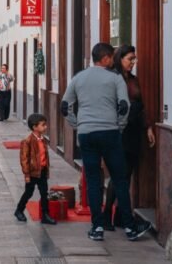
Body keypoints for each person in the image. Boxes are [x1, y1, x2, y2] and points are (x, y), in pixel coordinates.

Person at [61, 43, 152, 242]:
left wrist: (78, 124)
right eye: (111, 57)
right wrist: (119, 126)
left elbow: (65, 105)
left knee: (93, 181)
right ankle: (130, 228)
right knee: (120, 179)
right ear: (105, 59)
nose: (113, 60)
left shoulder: (78, 78)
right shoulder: (115, 78)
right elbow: (124, 106)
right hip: (110, 132)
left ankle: (97, 227)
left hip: (87, 134)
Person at [102, 45, 156, 230]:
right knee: (119, 176)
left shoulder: (133, 80)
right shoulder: (111, 79)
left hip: (133, 132)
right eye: (130, 59)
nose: (133, 63)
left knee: (126, 175)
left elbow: (140, 105)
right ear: (120, 59)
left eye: (134, 59)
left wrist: (148, 127)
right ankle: (107, 215)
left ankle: (116, 216)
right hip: (118, 132)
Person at [14, 113, 57, 225]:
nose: (45, 127)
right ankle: (19, 210)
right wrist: (27, 175)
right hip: (32, 173)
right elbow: (24, 159)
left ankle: (45, 215)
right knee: (29, 192)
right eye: (43, 125)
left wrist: (46, 168)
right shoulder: (27, 141)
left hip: (42, 171)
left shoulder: (43, 140)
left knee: (44, 193)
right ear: (34, 127)